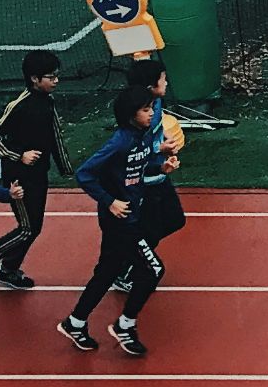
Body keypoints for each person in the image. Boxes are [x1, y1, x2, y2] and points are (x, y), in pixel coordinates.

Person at [57, 86, 178, 357]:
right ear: (130, 115)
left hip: (129, 214)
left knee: (107, 272)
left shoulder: (143, 137)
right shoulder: (119, 142)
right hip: (121, 219)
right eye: (145, 110)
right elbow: (84, 173)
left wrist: (161, 167)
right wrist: (109, 201)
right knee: (153, 270)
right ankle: (125, 325)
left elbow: (140, 164)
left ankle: (75, 323)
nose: (151, 114)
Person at [0, 49, 70, 288]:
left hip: (39, 175)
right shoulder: (19, 106)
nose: (56, 81)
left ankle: (9, 269)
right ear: (35, 79)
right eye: (51, 77)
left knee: (33, 228)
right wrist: (19, 156)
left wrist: (65, 168)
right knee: (27, 229)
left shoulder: (48, 102)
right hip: (18, 178)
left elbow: (54, 134)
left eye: (57, 76)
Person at [112, 58, 186, 295]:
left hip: (160, 175)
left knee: (175, 220)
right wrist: (159, 151)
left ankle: (129, 254)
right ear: (150, 86)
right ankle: (123, 268)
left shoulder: (156, 104)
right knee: (150, 230)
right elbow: (135, 149)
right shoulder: (138, 117)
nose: (167, 81)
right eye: (163, 78)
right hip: (144, 184)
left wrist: (164, 152)